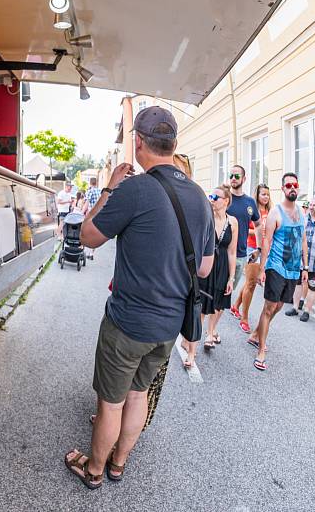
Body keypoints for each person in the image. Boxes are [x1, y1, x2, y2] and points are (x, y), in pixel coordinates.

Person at [64, 106, 214, 489]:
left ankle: (95, 470)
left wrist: (110, 188)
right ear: (174, 143)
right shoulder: (199, 196)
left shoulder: (135, 188)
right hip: (168, 327)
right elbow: (204, 270)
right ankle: (119, 464)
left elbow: (87, 237)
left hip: (128, 322)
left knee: (110, 403)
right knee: (138, 394)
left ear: (139, 142)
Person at [248, 173, 308, 371]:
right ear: (282, 189)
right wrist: (263, 268)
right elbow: (266, 241)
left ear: (297, 189)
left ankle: (256, 333)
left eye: (295, 185)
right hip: (276, 266)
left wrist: (305, 267)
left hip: (293, 270)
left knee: (279, 306)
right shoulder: (276, 212)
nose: (292, 188)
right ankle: (261, 349)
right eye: (288, 185)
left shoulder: (301, 213)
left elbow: (303, 241)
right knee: (269, 306)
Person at [182, 185, 237, 368]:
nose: (212, 199)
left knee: (215, 306)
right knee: (201, 310)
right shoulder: (207, 217)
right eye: (211, 196)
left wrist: (231, 278)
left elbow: (232, 252)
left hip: (221, 268)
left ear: (226, 201)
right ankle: (191, 352)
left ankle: (200, 336)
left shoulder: (233, 222)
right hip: (206, 265)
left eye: (216, 197)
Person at [232, 184, 273, 332]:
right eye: (263, 194)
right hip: (251, 247)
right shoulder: (250, 209)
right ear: (257, 195)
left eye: (267, 194)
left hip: (265, 249)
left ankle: (235, 305)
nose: (266, 197)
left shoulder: (270, 211)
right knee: (251, 283)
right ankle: (244, 318)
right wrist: (258, 231)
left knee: (251, 282)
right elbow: (243, 227)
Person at [226, 165, 261, 317]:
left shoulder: (250, 202)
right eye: (231, 175)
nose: (233, 178)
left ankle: (212, 328)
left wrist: (258, 248)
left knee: (228, 292)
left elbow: (258, 224)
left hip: (240, 254)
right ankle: (210, 332)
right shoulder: (225, 198)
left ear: (244, 179)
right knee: (216, 292)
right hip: (221, 252)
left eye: (237, 176)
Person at [284, 197, 315, 321]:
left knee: (313, 286)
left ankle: (307, 311)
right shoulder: (303, 219)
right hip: (300, 259)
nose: (312, 207)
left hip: (314, 260)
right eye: (311, 204)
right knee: (298, 283)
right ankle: (295, 307)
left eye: (314, 205)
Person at [83, 177, 101, 260]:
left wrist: (81, 212)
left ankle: (81, 249)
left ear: (90, 183)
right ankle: (91, 253)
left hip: (91, 214)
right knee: (94, 233)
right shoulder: (99, 191)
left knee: (84, 230)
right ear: (96, 182)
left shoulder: (90, 191)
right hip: (99, 214)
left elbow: (87, 203)